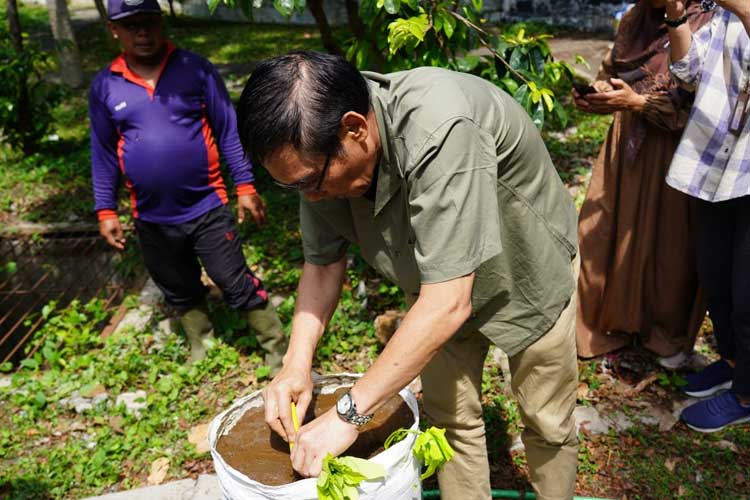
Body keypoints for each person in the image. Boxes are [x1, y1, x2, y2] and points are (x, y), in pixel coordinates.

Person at [238, 51, 580, 500]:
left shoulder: (441, 125)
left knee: (547, 420)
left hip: (525, 269)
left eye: (311, 182)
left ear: (355, 129)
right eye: (294, 186)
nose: (311, 197)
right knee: (451, 420)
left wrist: (347, 415)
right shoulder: (316, 156)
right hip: (434, 286)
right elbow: (322, 265)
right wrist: (295, 364)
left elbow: (448, 303)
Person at [89, 0, 287, 368]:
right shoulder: (105, 85)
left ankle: (277, 351)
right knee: (176, 283)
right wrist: (105, 209)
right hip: (151, 215)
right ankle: (203, 348)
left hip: (207, 205)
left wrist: (245, 186)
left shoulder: (195, 70)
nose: (142, 32)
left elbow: (228, 130)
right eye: (131, 25)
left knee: (232, 276)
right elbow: (102, 152)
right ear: (114, 29)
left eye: (148, 22)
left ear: (161, 22)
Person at [574, 0, 711, 368]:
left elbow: (699, 101)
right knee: (604, 233)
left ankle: (664, 338)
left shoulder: (709, 19)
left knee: (670, 246)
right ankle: (606, 327)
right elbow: (615, 71)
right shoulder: (636, 19)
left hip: (678, 149)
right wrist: (600, 93)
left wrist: (637, 102)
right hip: (628, 143)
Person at [663, 0, 750, 431]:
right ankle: (734, 362)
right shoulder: (724, 16)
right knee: (717, 276)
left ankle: (747, 394)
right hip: (720, 165)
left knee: (748, 290)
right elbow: (689, 73)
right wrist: (676, 16)